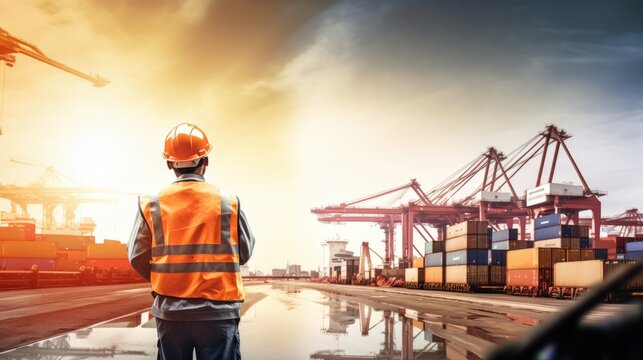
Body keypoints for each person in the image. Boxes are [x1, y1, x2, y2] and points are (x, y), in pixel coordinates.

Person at [127, 123, 255, 360]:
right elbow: (244, 253)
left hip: (171, 313)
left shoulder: (151, 203)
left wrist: (168, 279)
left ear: (169, 164)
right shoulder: (229, 202)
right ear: (205, 160)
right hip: (219, 313)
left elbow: (136, 256)